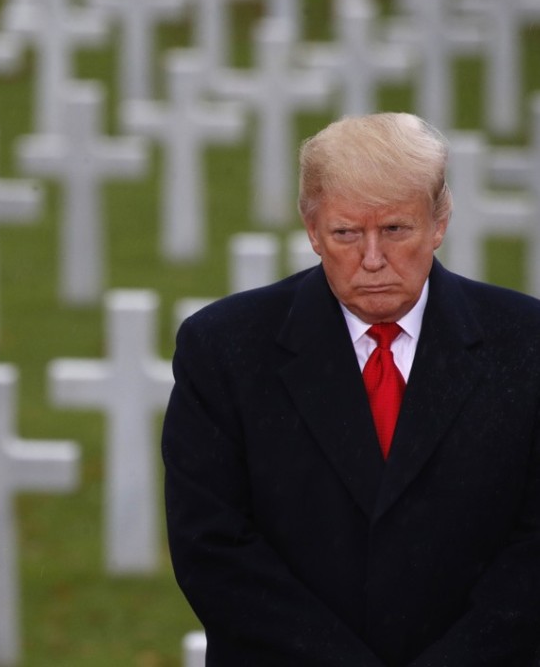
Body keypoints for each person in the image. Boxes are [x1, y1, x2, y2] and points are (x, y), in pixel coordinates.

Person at [162, 112, 540, 666]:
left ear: (439, 222)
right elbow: (212, 546)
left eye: (395, 229)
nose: (371, 258)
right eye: (345, 233)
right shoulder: (223, 349)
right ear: (311, 229)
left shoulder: (526, 343)